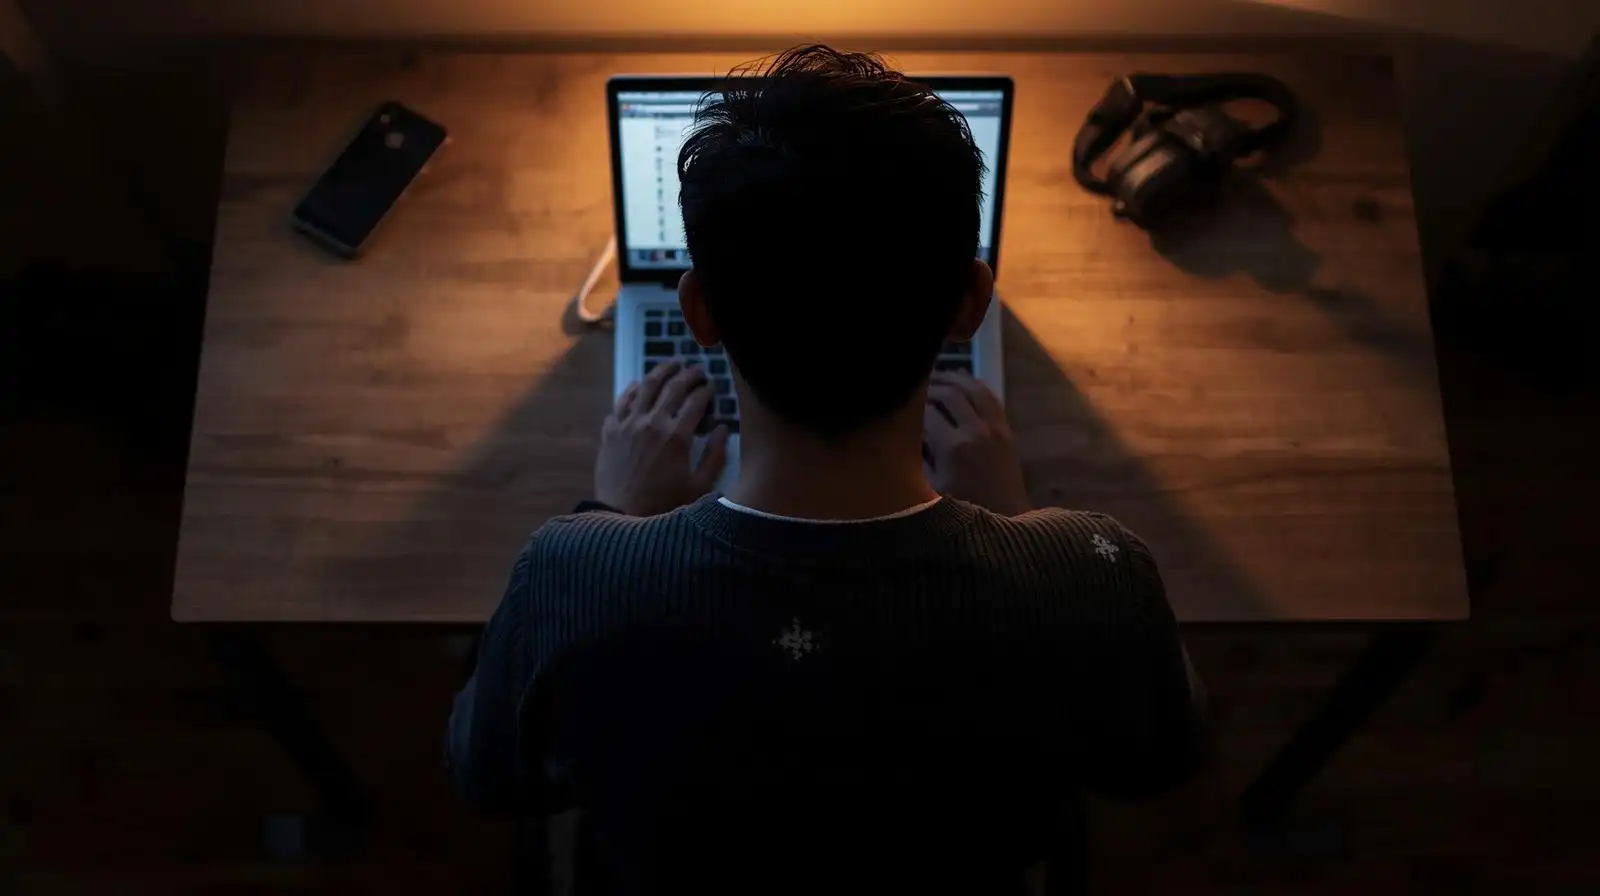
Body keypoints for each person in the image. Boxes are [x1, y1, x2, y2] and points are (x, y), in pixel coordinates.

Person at [448, 45, 1212, 895]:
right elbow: (1158, 762)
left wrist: (614, 519)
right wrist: (1019, 527)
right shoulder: (1093, 573)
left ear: (696, 309)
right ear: (971, 300)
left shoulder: (574, 573)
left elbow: (490, 776)